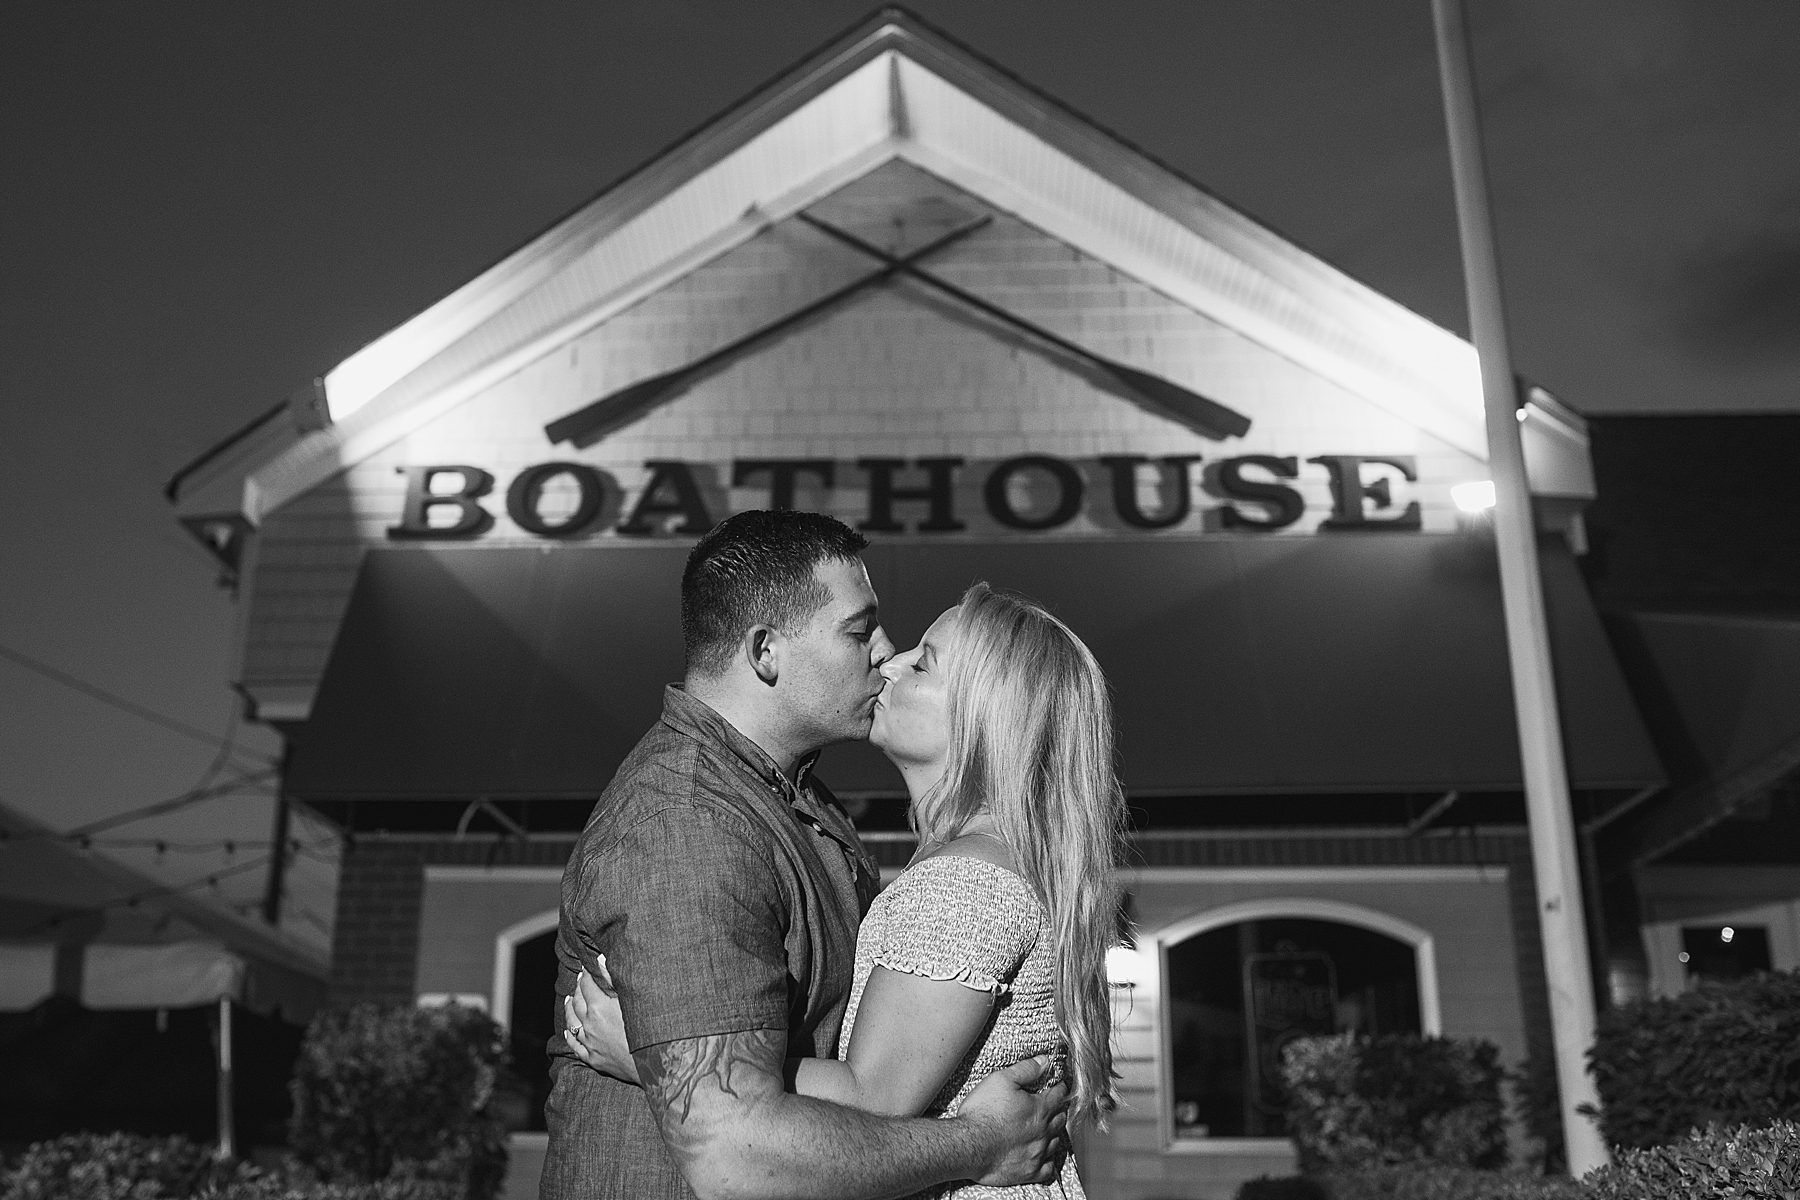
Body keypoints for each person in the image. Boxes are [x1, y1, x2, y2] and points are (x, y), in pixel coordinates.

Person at [540, 511, 1070, 1200]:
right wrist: (982, 1143)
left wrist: (651, 1055)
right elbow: (737, 1156)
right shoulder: (687, 824)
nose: (886, 651)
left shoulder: (806, 807)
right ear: (766, 653)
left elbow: (859, 1078)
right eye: (858, 631)